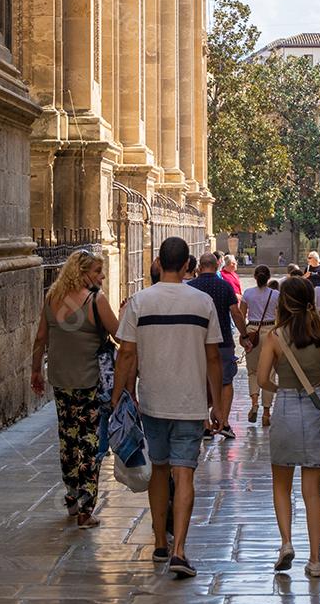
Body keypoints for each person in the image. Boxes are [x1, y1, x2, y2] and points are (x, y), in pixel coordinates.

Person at [113, 237, 224, 578]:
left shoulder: (139, 302)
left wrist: (119, 395)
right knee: (184, 473)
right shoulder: (203, 303)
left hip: (153, 401)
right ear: (188, 263)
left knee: (159, 471)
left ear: (159, 263)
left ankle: (160, 542)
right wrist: (217, 405)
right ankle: (180, 550)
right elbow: (213, 357)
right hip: (190, 403)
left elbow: (127, 353)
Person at [257, 277, 320, 578]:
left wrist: (280, 386)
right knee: (313, 491)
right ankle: (315, 559)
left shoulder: (275, 337)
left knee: (281, 484)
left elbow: (261, 380)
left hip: (284, 409)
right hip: (315, 410)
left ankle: (286, 542)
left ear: (283, 302)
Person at [30, 250, 120, 528]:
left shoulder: (52, 299)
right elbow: (119, 334)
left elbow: (40, 338)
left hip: (61, 380)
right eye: (96, 271)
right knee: (89, 443)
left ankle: (71, 497)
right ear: (82, 273)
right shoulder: (96, 301)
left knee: (67, 440)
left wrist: (36, 371)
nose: (102, 276)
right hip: (89, 383)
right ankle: (85, 509)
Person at [189, 252, 248, 440]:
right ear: (216, 266)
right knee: (226, 380)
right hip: (222, 340)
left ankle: (205, 424)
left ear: (200, 266)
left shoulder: (192, 288)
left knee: (200, 381)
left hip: (198, 341)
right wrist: (244, 335)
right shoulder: (225, 286)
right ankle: (223, 419)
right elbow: (236, 313)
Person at [239, 265, 279, 426]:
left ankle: (254, 403)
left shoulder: (248, 293)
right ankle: (267, 412)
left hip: (253, 332)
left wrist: (244, 336)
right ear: (268, 277)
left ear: (255, 277)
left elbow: (241, 316)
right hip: (270, 332)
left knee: (253, 371)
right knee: (270, 373)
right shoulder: (276, 294)